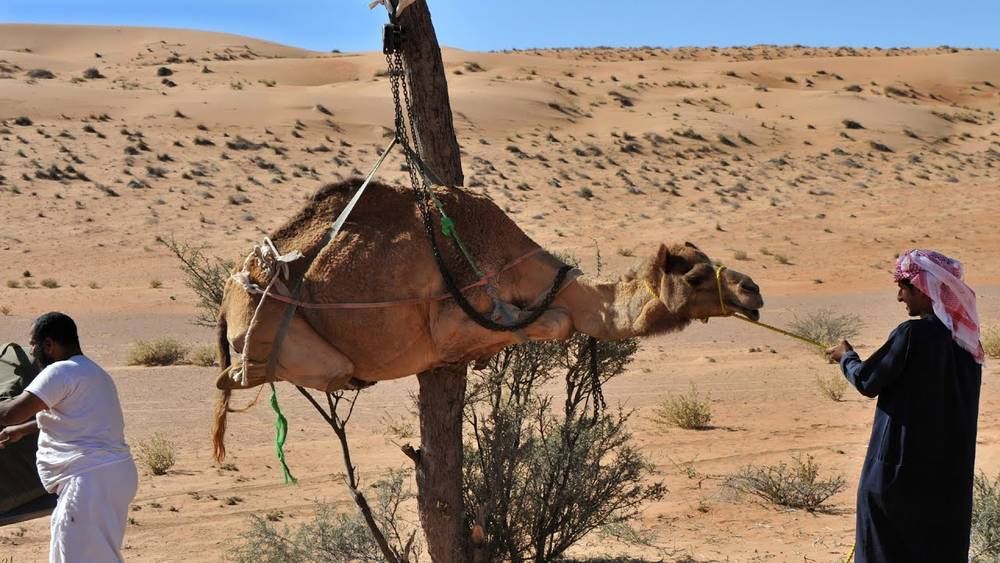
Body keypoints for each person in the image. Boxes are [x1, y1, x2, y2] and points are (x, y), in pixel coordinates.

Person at [827, 250, 983, 563]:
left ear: (926, 289)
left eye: (905, 287)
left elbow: (867, 381)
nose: (900, 297)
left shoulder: (912, 334)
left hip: (895, 479)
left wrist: (846, 357)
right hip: (947, 484)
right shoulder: (969, 346)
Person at [0, 312, 137, 563]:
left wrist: (15, 422)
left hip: (89, 480)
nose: (31, 352)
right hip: (109, 476)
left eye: (33, 344)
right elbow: (75, 420)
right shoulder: (93, 372)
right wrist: (23, 430)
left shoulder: (60, 372)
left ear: (49, 345)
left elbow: (10, 413)